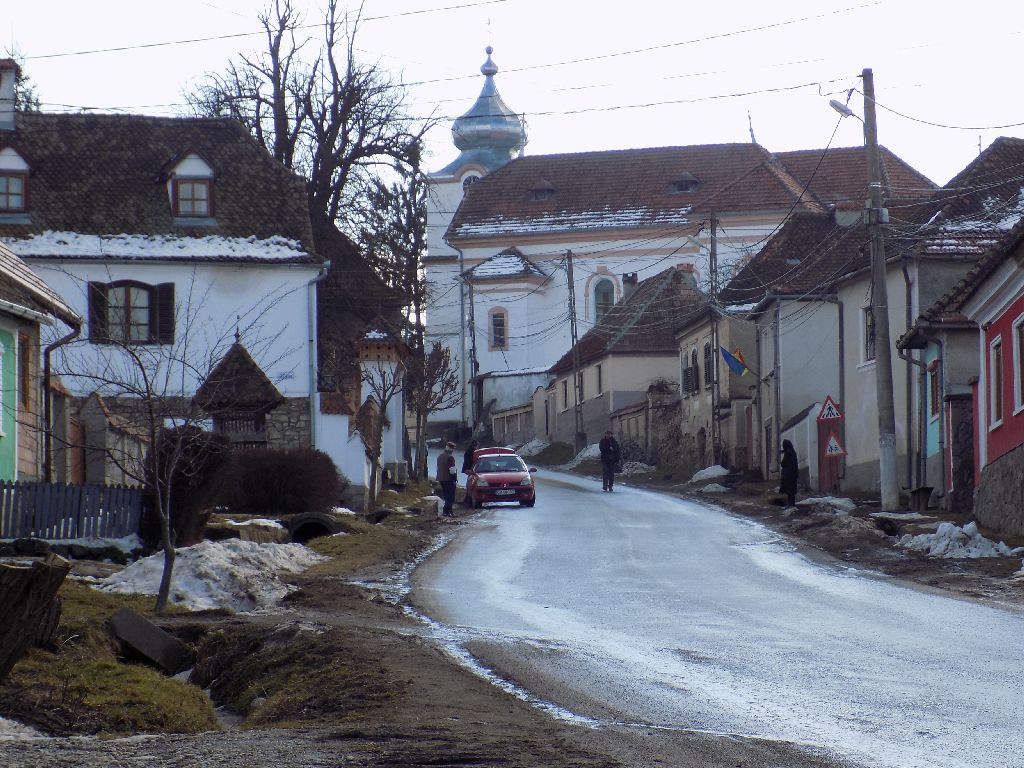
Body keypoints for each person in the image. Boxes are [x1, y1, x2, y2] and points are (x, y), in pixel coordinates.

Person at [436, 441, 458, 516]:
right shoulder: (450, 458)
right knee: (450, 496)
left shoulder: (440, 456)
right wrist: (454, 479)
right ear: (452, 449)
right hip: (448, 479)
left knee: (446, 495)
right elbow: (452, 470)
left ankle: (447, 511)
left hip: (441, 478)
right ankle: (448, 511)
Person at [779, 439, 799, 506]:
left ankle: (791, 505)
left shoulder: (788, 453)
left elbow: (784, 463)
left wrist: (781, 463)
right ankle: (791, 504)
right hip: (794, 474)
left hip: (788, 475)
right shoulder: (792, 451)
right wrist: (783, 451)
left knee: (789, 491)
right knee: (792, 490)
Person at [461, 439, 478, 504]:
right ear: (475, 445)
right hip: (470, 469)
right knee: (470, 484)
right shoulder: (472, 451)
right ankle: (468, 500)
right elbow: (472, 461)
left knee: (469, 483)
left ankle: (467, 499)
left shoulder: (469, 450)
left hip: (467, 469)